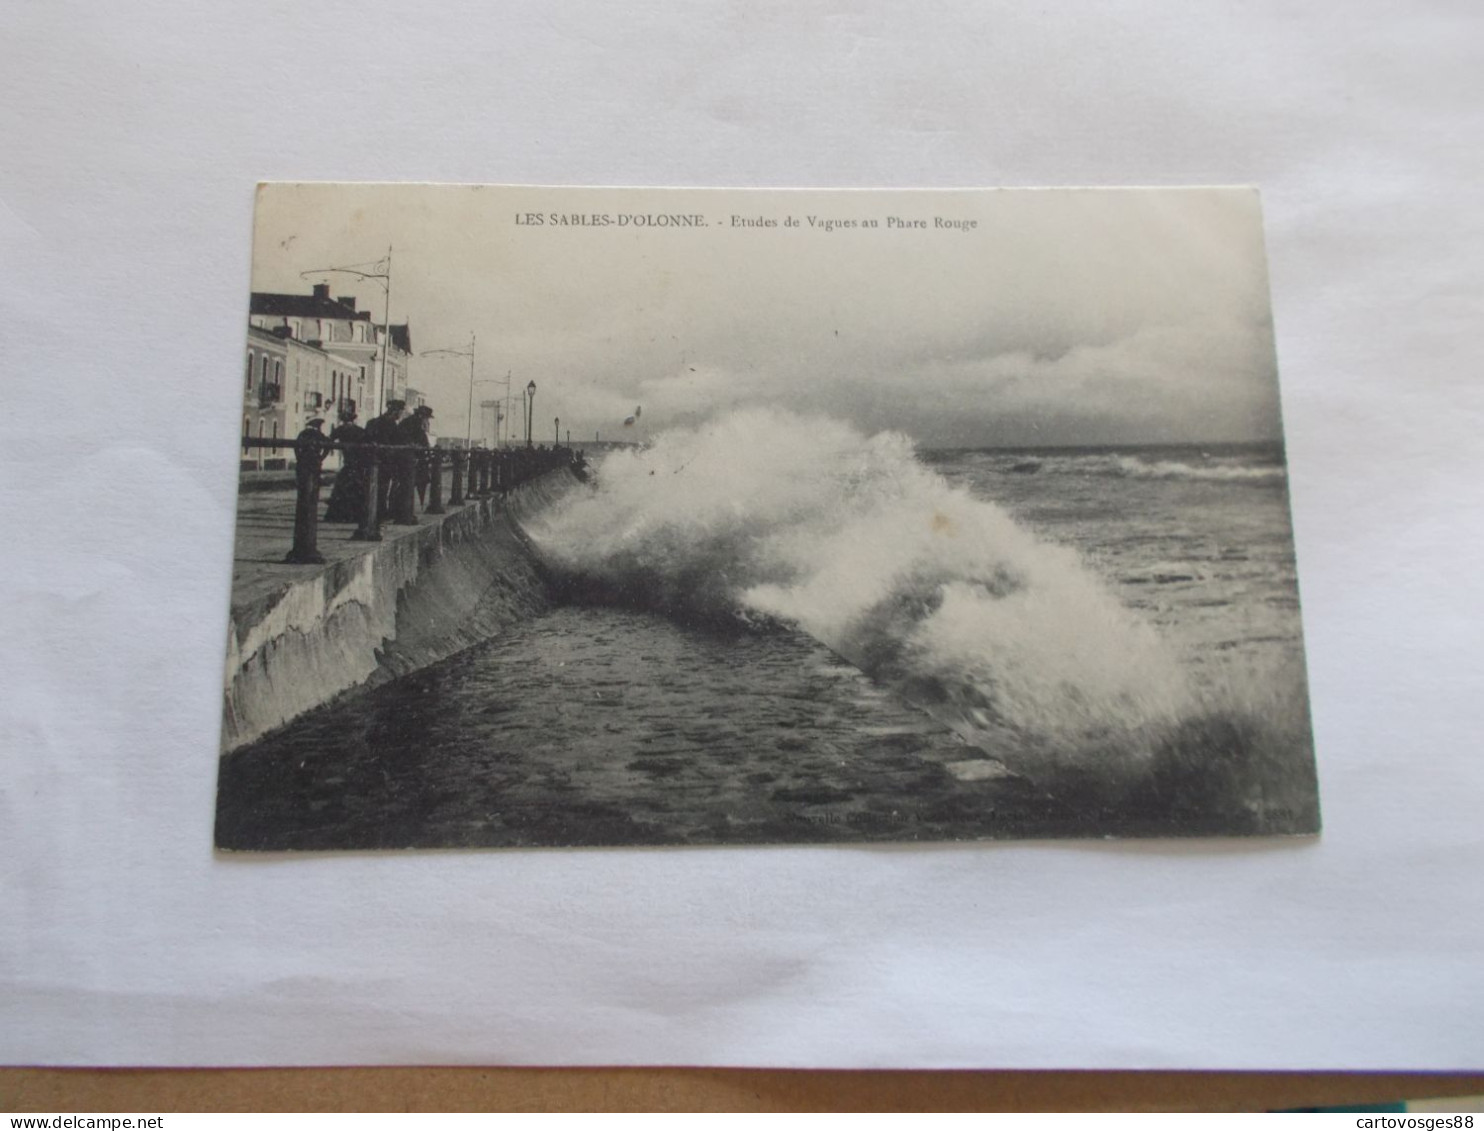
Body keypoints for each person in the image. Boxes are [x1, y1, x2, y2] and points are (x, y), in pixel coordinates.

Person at [322, 407, 368, 523]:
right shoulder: (360, 430)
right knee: (357, 489)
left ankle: (339, 515)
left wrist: (322, 457)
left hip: (348, 463)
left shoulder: (340, 430)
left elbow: (328, 441)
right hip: (359, 464)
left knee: (342, 488)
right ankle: (356, 515)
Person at [363, 399, 406, 522]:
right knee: (383, 488)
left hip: (371, 459)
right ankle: (380, 513)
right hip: (386, 461)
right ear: (396, 411)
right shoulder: (392, 425)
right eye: (400, 412)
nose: (401, 414)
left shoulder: (372, 422)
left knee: (372, 486)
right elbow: (397, 442)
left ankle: (371, 512)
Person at [397, 405, 434, 507]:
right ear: (421, 416)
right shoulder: (413, 424)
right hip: (411, 459)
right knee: (413, 482)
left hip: (414, 458)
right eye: (426, 417)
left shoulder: (412, 422)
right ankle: (410, 508)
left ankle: (408, 507)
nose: (427, 420)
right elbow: (419, 440)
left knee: (411, 483)